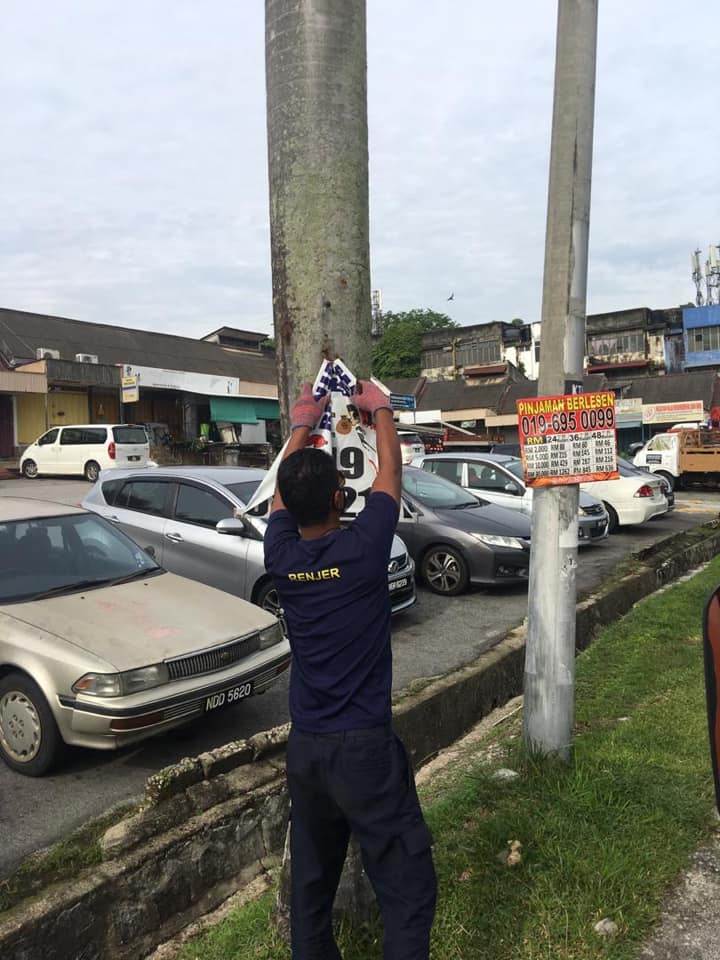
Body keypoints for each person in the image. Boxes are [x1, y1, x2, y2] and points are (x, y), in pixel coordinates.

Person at [264, 381, 437, 960]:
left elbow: (281, 502)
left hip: (307, 751)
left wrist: (299, 427)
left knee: (312, 889)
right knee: (407, 885)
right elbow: (392, 471)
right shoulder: (363, 552)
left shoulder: (282, 558)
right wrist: (381, 405)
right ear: (341, 498)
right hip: (363, 748)